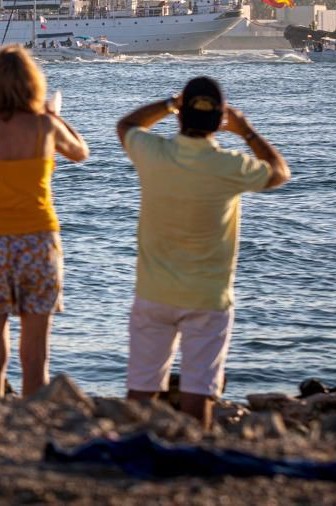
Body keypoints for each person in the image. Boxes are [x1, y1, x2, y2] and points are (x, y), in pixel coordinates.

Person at [116, 77, 291, 430]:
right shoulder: (229, 166)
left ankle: (131, 457)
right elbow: (279, 173)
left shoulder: (155, 155)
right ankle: (193, 460)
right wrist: (246, 131)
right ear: (220, 121)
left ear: (181, 117)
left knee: (140, 393)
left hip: (154, 292)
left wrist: (169, 103)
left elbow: (127, 125)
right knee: (198, 396)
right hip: (208, 298)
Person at [0, 45, 89, 396]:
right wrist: (54, 115)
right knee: (35, 354)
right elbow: (80, 152)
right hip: (38, 240)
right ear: (33, 84)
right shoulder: (44, 125)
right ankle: (32, 424)